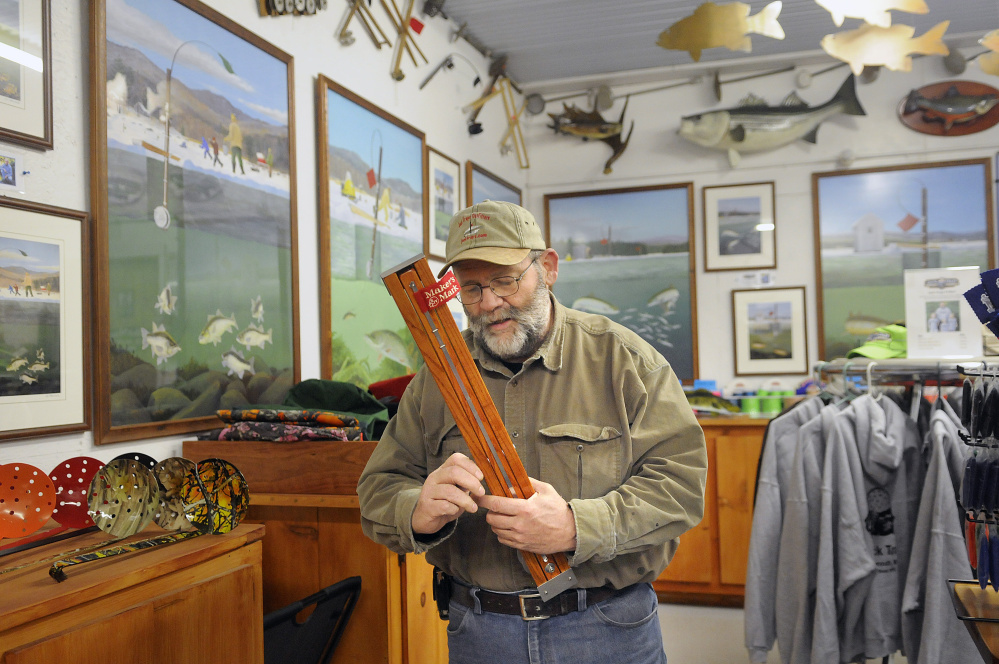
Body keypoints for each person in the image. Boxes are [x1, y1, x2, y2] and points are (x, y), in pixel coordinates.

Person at [357, 200, 707, 664]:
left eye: (505, 280)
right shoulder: (436, 380)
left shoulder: (627, 362)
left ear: (548, 268)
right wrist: (416, 510)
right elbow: (378, 488)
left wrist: (576, 527)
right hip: (478, 632)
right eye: (471, 288)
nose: (489, 303)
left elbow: (681, 486)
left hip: (606, 628)